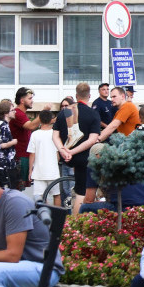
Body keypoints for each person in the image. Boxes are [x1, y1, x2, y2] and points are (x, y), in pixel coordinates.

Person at [57, 83, 103, 213]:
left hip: (66, 157)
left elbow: (55, 136)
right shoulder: (93, 114)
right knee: (81, 192)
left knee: (76, 188)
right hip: (84, 158)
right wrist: (73, 151)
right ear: (89, 96)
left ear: (76, 95)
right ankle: (77, 221)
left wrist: (63, 150)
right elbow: (92, 139)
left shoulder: (64, 113)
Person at [27, 108, 61, 205]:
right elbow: (58, 152)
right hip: (53, 170)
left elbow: (32, 153)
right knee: (56, 195)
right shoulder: (55, 134)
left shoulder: (34, 134)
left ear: (40, 120)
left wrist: (30, 170)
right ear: (51, 120)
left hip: (39, 171)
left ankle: (44, 214)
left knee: (39, 196)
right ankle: (57, 217)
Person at [9, 87, 35, 189]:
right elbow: (31, 126)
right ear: (22, 100)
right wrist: (44, 114)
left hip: (23, 155)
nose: (32, 101)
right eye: (29, 98)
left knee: (18, 189)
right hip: (20, 157)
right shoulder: (18, 113)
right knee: (16, 189)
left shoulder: (21, 114)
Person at [0, 100, 18, 189]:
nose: (15, 112)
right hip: (4, 165)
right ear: (6, 113)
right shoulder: (3, 126)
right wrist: (13, 142)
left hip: (0, 164)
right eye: (12, 110)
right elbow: (1, 145)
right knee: (7, 191)